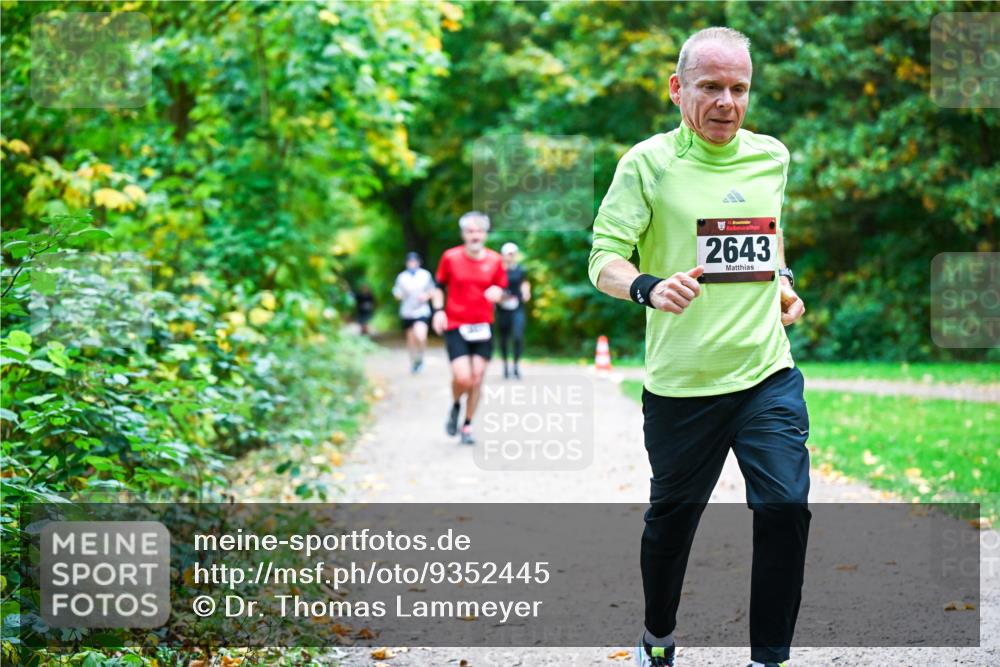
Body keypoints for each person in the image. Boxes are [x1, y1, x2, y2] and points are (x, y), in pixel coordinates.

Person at [588, 27, 808, 667]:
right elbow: (604, 257)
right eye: (710, 87)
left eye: (739, 88)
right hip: (683, 386)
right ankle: (657, 634)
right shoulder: (648, 164)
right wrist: (649, 287)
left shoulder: (771, 156)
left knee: (785, 506)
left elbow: (768, 237)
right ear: (676, 88)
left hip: (765, 371)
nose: (726, 103)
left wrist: (784, 283)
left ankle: (770, 657)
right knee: (671, 523)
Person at [431, 211, 507, 445]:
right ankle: (456, 405)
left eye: (479, 231)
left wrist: (498, 293)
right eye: (470, 231)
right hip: (456, 324)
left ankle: (467, 424)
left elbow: (502, 290)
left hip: (483, 325)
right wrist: (438, 311)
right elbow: (437, 287)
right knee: (463, 378)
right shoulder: (450, 257)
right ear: (463, 234)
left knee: (477, 377)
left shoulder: (495, 260)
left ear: (485, 234)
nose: (475, 235)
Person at [393, 252, 436, 373]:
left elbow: (432, 290)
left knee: (421, 335)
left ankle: (421, 357)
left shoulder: (425, 275)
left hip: (421, 310)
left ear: (418, 262)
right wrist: (399, 296)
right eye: (410, 262)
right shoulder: (402, 277)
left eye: (414, 261)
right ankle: (414, 361)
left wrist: (426, 296)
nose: (412, 264)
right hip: (407, 312)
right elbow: (397, 292)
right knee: (411, 339)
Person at [496, 242, 531, 379]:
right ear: (503, 255)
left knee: (517, 335)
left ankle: (516, 365)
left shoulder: (520, 269)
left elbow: (524, 282)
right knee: (503, 338)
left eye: (513, 254)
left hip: (517, 307)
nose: (511, 257)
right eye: (508, 254)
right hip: (502, 308)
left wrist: (526, 292)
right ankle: (505, 365)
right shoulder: (498, 270)